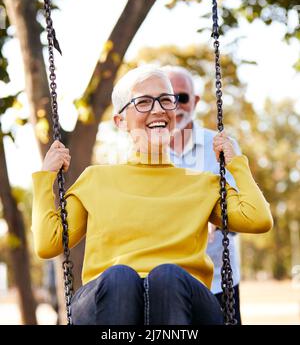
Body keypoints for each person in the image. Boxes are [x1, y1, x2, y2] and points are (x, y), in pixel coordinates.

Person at [31, 65, 273, 325]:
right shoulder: (95, 180)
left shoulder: (203, 184)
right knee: (120, 278)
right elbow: (48, 243)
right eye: (143, 102)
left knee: (168, 276)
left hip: (184, 300)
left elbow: (257, 219)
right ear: (120, 120)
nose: (158, 109)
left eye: (166, 100)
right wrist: (46, 176)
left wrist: (236, 162)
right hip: (107, 300)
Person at [162, 65, 242, 324]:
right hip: (164, 284)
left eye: (182, 98)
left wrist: (215, 223)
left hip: (219, 281)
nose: (175, 106)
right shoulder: (146, 151)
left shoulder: (219, 147)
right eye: (167, 99)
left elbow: (242, 206)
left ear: (195, 101)